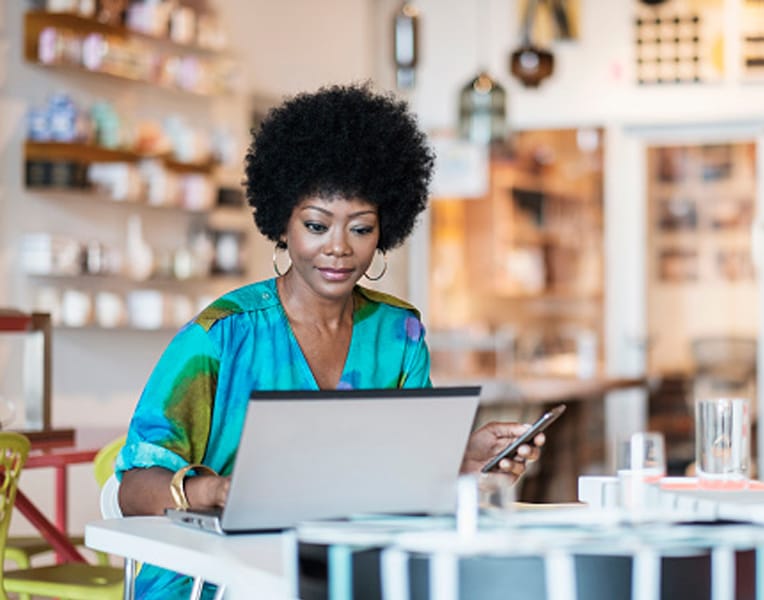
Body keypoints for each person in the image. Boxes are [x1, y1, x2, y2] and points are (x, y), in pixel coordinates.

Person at [116, 83, 544, 598]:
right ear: (284, 224)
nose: (339, 248)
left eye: (360, 229)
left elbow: (394, 477)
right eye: (317, 225)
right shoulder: (221, 335)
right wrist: (219, 491)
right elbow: (133, 489)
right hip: (215, 581)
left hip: (340, 575)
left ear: (385, 230)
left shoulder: (398, 332)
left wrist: (463, 461)